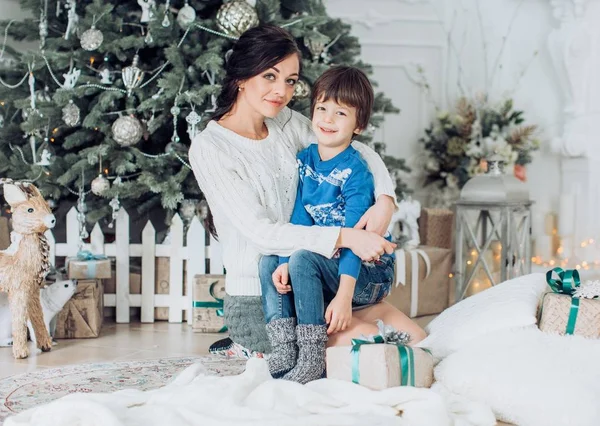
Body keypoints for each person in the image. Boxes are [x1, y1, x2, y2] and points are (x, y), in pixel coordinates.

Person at [189, 24, 426, 358]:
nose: (281, 91)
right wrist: (344, 237)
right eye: (270, 76)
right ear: (241, 77)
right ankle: (246, 342)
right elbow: (262, 233)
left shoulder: (283, 122)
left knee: (416, 341)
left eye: (290, 80)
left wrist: (386, 199)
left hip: (311, 282)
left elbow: (350, 147)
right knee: (373, 348)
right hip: (265, 298)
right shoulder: (211, 147)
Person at [259, 65, 421, 384]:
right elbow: (301, 219)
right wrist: (282, 261)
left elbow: (357, 242)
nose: (327, 120)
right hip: (330, 265)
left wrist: (345, 296)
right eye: (322, 109)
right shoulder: (306, 160)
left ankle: (313, 355)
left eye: (340, 113)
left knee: (304, 258)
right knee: (270, 259)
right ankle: (285, 348)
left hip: (367, 272)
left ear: (358, 125)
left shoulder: (356, 173)